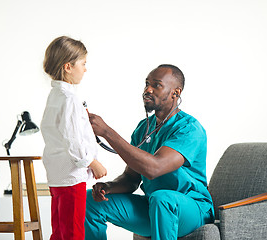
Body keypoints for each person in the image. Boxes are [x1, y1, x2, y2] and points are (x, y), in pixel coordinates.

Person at [85, 64, 214, 240]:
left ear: (176, 93)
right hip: (154, 205)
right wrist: (109, 187)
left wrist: (107, 132)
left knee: (163, 199)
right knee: (90, 201)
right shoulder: (143, 128)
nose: (148, 89)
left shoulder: (190, 129)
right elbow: (131, 179)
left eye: (156, 85)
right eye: (146, 84)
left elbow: (154, 168)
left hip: (192, 209)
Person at [41, 36, 107, 240]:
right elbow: (73, 141)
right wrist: (92, 162)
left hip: (57, 176)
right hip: (72, 177)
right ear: (68, 67)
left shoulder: (55, 97)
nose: (85, 69)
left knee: (60, 231)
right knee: (73, 233)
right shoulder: (69, 99)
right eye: (83, 64)